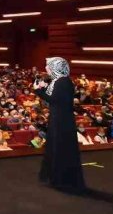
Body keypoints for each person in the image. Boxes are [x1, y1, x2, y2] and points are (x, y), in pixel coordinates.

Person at [33, 57, 85, 192]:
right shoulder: (61, 81)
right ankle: (57, 178)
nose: (47, 69)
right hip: (59, 118)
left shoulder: (62, 82)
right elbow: (54, 101)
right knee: (57, 147)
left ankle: (61, 179)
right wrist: (43, 90)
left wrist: (39, 91)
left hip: (61, 120)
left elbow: (54, 100)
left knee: (60, 147)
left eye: (49, 67)